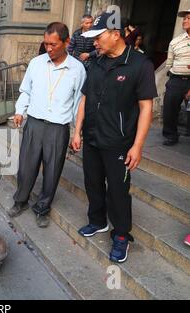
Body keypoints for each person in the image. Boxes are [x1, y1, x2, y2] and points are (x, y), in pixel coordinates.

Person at [71, 12, 158, 263]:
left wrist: (138, 146)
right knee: (92, 182)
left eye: (98, 37)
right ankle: (97, 221)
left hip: (118, 142)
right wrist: (77, 131)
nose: (94, 43)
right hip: (92, 137)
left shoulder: (140, 65)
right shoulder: (96, 62)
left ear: (115, 34)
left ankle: (121, 235)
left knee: (118, 191)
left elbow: (145, 108)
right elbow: (85, 98)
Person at [8, 22, 87, 228]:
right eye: (46, 44)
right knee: (26, 166)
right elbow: (26, 90)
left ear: (67, 42)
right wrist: (19, 110)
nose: (49, 49)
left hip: (58, 128)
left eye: (53, 44)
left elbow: (80, 103)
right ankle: (20, 201)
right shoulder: (36, 63)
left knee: (52, 171)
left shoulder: (77, 69)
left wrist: (76, 132)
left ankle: (42, 208)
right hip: (34, 123)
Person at [162, 9, 190, 146]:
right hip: (176, 79)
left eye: (188, 18)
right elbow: (169, 64)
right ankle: (170, 135)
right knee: (169, 109)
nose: (184, 21)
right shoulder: (175, 42)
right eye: (184, 18)